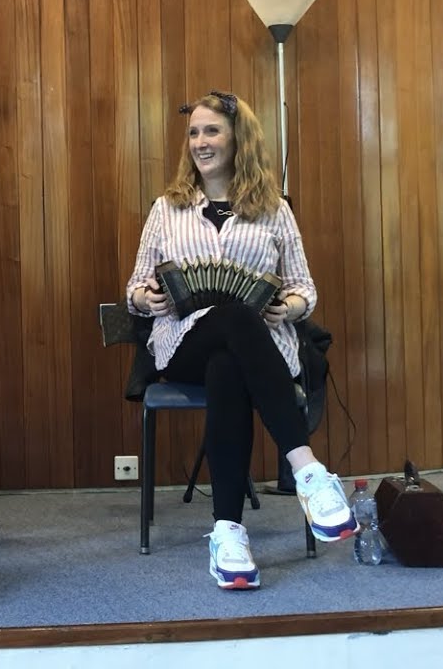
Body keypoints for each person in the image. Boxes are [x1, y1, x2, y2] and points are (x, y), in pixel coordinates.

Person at [125, 90, 356, 590]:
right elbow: (135, 286)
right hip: (182, 343)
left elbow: (303, 288)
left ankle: (228, 537)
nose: (200, 142)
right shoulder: (167, 209)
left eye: (212, 131)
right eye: (194, 133)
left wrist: (288, 307)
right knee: (233, 319)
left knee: (230, 366)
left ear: (238, 139)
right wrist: (148, 300)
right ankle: (308, 470)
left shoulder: (273, 209)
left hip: (256, 350)